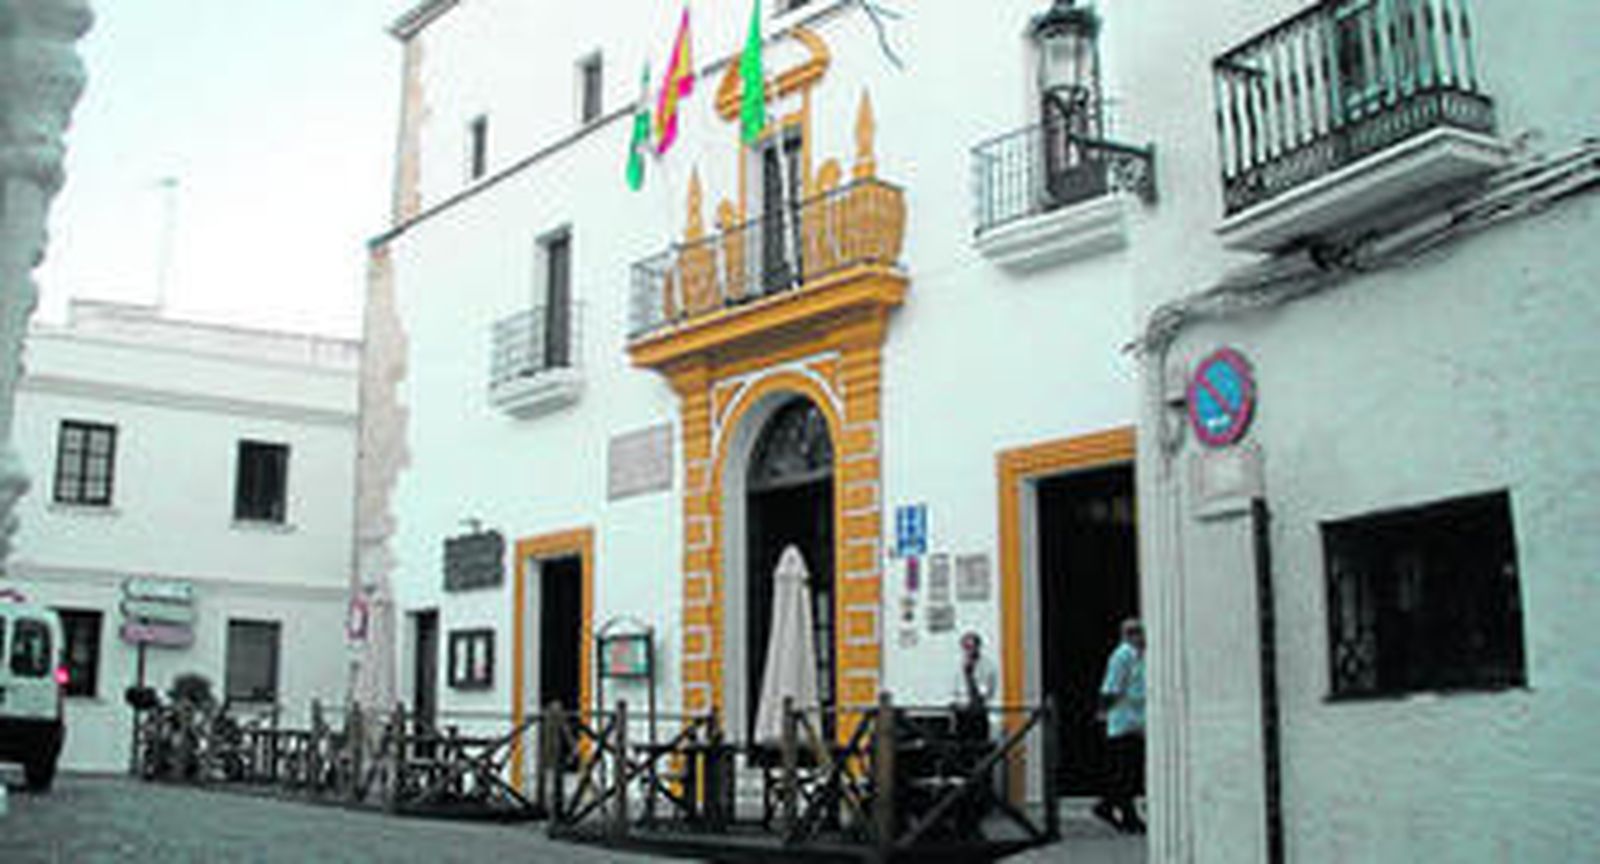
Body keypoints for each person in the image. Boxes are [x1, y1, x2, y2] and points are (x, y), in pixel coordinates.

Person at [1094, 618, 1146, 834]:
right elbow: (1111, 686)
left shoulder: (1138, 656)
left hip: (1136, 721)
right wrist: (1102, 711)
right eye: (1137, 633)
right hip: (1123, 721)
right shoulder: (1122, 655)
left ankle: (1111, 807)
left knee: (1129, 771)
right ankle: (1126, 815)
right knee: (1124, 771)